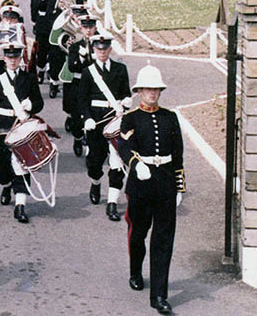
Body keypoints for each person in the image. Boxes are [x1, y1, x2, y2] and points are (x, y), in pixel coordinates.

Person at [118, 65, 185, 315]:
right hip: (141, 185)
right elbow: (124, 147)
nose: (152, 93)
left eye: (156, 89)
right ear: (139, 92)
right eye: (148, 89)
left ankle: (159, 295)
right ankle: (136, 269)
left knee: (163, 240)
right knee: (138, 234)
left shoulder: (170, 117)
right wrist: (136, 164)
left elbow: (178, 153)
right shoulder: (131, 118)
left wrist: (179, 185)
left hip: (166, 182)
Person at [0, 43, 45, 223]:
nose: (13, 60)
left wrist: (31, 105)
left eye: (16, 57)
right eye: (9, 57)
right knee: (3, 162)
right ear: (4, 59)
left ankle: (20, 204)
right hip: (3, 126)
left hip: (22, 126)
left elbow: (39, 102)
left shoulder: (29, 78)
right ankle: (6, 185)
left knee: (22, 163)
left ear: (20, 59)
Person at [80, 33, 131, 221]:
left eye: (105, 48)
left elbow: (126, 93)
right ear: (94, 50)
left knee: (117, 162)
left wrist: (126, 101)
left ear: (110, 49)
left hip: (115, 119)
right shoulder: (88, 72)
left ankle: (112, 203)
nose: (102, 52)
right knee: (95, 161)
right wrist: (86, 118)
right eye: (99, 49)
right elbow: (83, 99)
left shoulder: (120, 69)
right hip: (95, 121)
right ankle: (95, 182)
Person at [63, 13, 99, 157]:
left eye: (91, 27)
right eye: (85, 27)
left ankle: (91, 145)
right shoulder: (75, 47)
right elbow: (72, 67)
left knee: (94, 116)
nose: (88, 30)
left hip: (95, 85)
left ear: (95, 28)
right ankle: (78, 138)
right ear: (81, 29)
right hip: (78, 85)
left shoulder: (101, 45)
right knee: (77, 119)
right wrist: (83, 59)